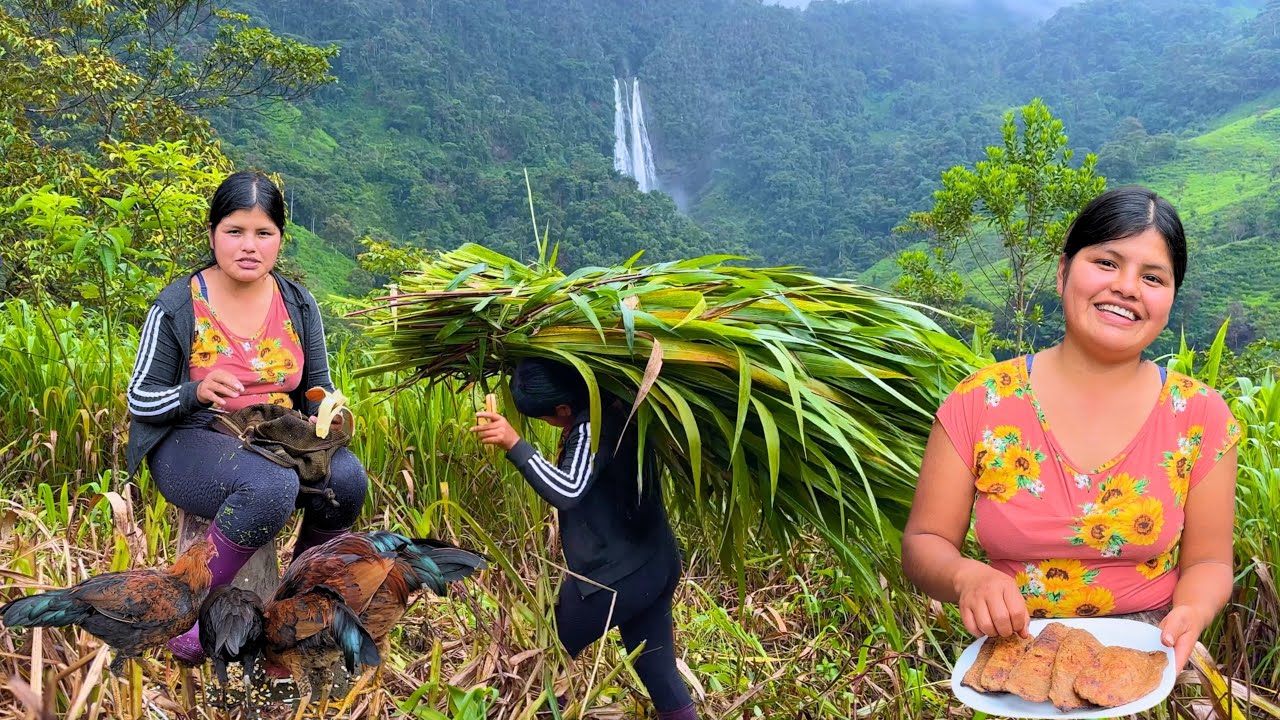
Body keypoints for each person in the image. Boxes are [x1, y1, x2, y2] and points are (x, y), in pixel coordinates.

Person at [901, 186, 1239, 670]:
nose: (1126, 287)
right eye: (1106, 262)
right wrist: (966, 579)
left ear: (1169, 300)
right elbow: (923, 543)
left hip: (1149, 651)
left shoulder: (1200, 415)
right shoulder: (979, 402)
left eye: (1152, 277)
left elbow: (1209, 561)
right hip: (1012, 650)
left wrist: (1192, 609)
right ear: (1063, 271)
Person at [124, 171, 368, 664]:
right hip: (192, 441)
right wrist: (195, 391)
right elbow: (140, 399)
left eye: (264, 233)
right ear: (212, 232)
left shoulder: (298, 303)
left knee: (347, 480)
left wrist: (327, 410)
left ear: (280, 238)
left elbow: (314, 386)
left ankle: (295, 600)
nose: (249, 246)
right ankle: (184, 613)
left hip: (276, 437)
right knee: (269, 487)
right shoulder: (178, 304)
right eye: (235, 231)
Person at [470, 358, 698, 720]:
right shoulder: (617, 402)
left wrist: (516, 445)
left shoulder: (594, 426)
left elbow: (568, 489)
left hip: (617, 576)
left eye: (545, 417)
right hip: (654, 562)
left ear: (563, 408)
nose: (547, 424)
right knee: (657, 670)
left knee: (545, 659)